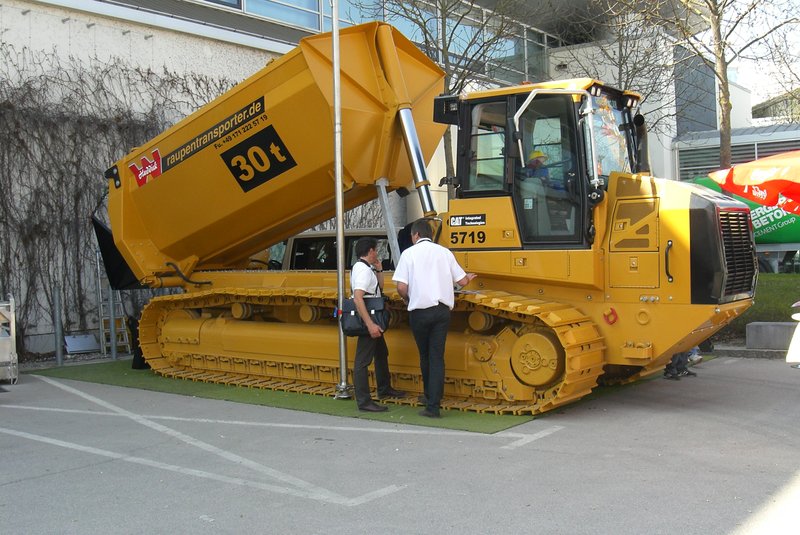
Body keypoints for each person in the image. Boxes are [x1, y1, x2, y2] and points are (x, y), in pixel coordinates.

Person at [392, 219, 477, 418]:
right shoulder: (444, 252)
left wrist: (407, 300)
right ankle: (434, 404)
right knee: (437, 356)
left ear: (415, 235)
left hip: (419, 312)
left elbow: (401, 287)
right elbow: (462, 281)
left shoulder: (408, 254)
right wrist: (469, 278)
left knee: (425, 355)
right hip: (441, 312)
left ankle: (429, 398)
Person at [350, 237, 405, 412]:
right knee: (362, 361)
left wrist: (380, 270)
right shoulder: (363, 271)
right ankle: (364, 401)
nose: (377, 253)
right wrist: (370, 325)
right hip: (370, 320)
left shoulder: (367, 268)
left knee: (381, 353)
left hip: (372, 318)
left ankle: (384, 389)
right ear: (370, 251)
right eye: (376, 250)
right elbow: (358, 297)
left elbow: (378, 289)